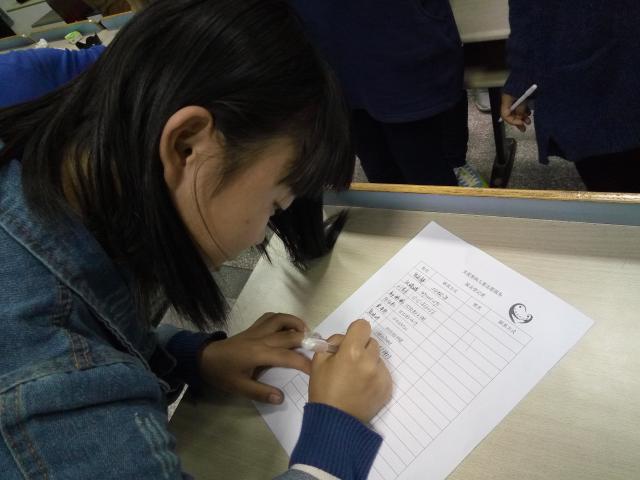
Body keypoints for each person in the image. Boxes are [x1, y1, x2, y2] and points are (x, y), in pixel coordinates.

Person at [0, 1, 392, 479]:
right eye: (274, 206)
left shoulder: (58, 180)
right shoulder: (45, 379)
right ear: (187, 145)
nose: (259, 235)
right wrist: (338, 430)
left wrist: (191, 357)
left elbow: (95, 319)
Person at [289, 0, 484, 187]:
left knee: (426, 167)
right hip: (328, 52)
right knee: (379, 170)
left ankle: (455, 170)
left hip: (402, 45)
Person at [501, 0, 640, 192]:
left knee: (613, 183)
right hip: (588, 81)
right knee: (613, 183)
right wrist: (519, 78)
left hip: (590, 74)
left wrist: (520, 78)